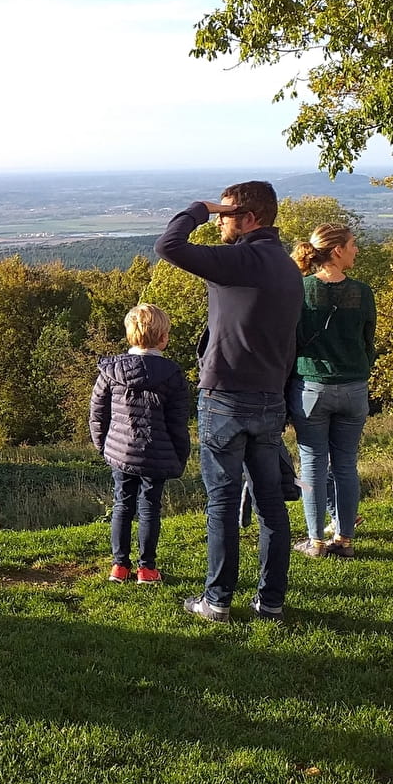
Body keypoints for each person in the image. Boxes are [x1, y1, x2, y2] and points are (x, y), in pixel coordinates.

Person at [154, 181, 303, 622]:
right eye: (216, 212)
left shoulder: (243, 259)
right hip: (269, 398)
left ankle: (217, 601)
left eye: (226, 213)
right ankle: (271, 601)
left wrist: (197, 208)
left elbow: (169, 245)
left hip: (225, 396)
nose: (219, 219)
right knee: (270, 504)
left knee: (222, 503)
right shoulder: (287, 266)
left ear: (250, 219)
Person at [289, 223, 375, 559]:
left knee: (311, 464)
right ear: (337, 250)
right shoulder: (362, 293)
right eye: (353, 244)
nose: (356, 250)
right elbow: (369, 343)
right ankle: (345, 540)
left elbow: (291, 341)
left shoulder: (301, 290)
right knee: (345, 465)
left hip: (312, 387)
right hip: (354, 388)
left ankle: (316, 541)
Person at [89, 303, 190, 586]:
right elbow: (178, 422)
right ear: (163, 338)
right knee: (149, 508)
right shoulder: (172, 375)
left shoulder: (111, 371)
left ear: (130, 335)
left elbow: (97, 412)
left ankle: (119, 566)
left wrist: (103, 445)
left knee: (122, 505)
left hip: (120, 450)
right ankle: (147, 569)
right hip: (156, 455)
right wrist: (180, 456)